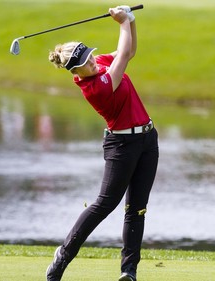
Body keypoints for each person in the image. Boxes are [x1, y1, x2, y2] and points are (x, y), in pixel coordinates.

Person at [46, 6, 159, 281]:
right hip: (122, 146)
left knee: (137, 208)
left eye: (90, 55)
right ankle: (62, 257)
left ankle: (128, 271)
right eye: (86, 62)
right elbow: (121, 60)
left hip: (147, 140)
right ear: (76, 71)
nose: (93, 61)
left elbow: (128, 53)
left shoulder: (99, 64)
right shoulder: (95, 88)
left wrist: (131, 22)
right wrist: (122, 23)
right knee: (105, 204)